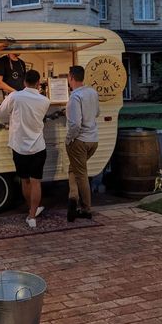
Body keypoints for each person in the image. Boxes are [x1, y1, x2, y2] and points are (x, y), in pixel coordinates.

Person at [0, 69, 50, 228]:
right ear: (38, 83)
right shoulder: (45, 101)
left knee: (25, 180)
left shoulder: (15, 97)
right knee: (36, 182)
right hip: (38, 146)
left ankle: (31, 211)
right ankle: (32, 214)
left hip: (19, 147)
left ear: (24, 82)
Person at [65, 65, 100, 222]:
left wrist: (69, 139)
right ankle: (72, 197)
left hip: (79, 141)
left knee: (81, 174)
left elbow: (75, 124)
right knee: (74, 169)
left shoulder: (74, 97)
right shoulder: (92, 92)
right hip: (93, 140)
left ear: (71, 77)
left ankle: (86, 209)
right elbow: (97, 113)